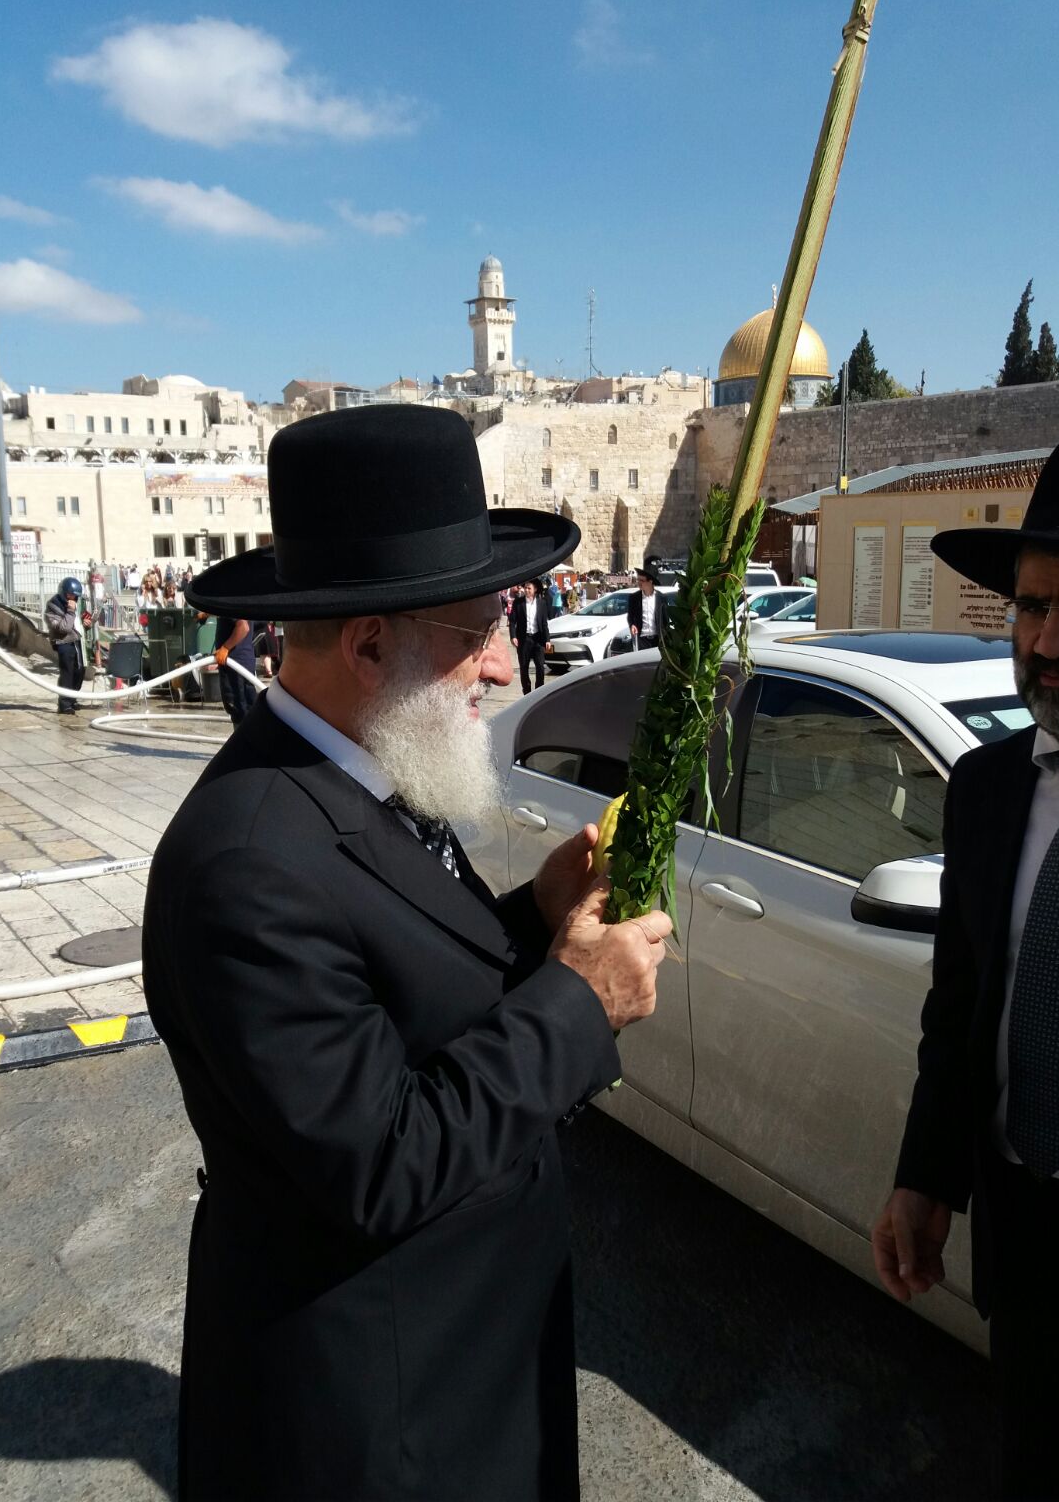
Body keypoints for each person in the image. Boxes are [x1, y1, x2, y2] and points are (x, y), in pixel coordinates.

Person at [143, 404, 668, 1501]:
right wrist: (582, 1004)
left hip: (462, 1358)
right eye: (474, 628)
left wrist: (537, 912)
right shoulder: (248, 862)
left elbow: (407, 986)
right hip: (381, 1415)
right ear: (370, 640)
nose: (497, 663)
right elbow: (380, 1158)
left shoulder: (356, 774)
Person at [872, 428, 1059, 1502]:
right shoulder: (989, 788)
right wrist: (926, 1174)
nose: (1050, 641)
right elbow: (960, 1007)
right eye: (1033, 607)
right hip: (1031, 1251)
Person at [44, 576, 89, 717]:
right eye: (71, 595)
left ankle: (72, 697)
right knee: (67, 672)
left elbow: (78, 623)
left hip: (76, 640)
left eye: (75, 597)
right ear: (64, 593)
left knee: (80, 670)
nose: (73, 599)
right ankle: (64, 704)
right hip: (63, 642)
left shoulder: (77, 603)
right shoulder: (52, 607)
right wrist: (70, 611)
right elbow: (64, 628)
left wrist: (87, 623)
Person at [212, 612, 256, 725]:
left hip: (235, 664)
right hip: (241, 662)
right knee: (245, 708)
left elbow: (243, 627)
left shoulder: (229, 603)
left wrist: (226, 647)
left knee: (240, 709)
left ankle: (245, 741)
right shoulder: (240, 601)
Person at [509, 577, 550, 694]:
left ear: (535, 589)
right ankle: (527, 693)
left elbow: (544, 623)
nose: (526, 590)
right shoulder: (518, 603)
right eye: (525, 588)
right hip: (524, 639)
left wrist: (547, 640)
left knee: (540, 667)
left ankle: (539, 692)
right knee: (524, 667)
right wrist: (513, 636)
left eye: (529, 588)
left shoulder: (542, 603)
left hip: (538, 639)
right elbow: (512, 621)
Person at [628, 563, 668, 651]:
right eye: (638, 580)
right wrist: (632, 625)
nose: (639, 583)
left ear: (650, 582)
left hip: (658, 640)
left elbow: (665, 620)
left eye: (642, 580)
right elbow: (630, 617)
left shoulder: (661, 598)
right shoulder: (634, 598)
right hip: (642, 640)